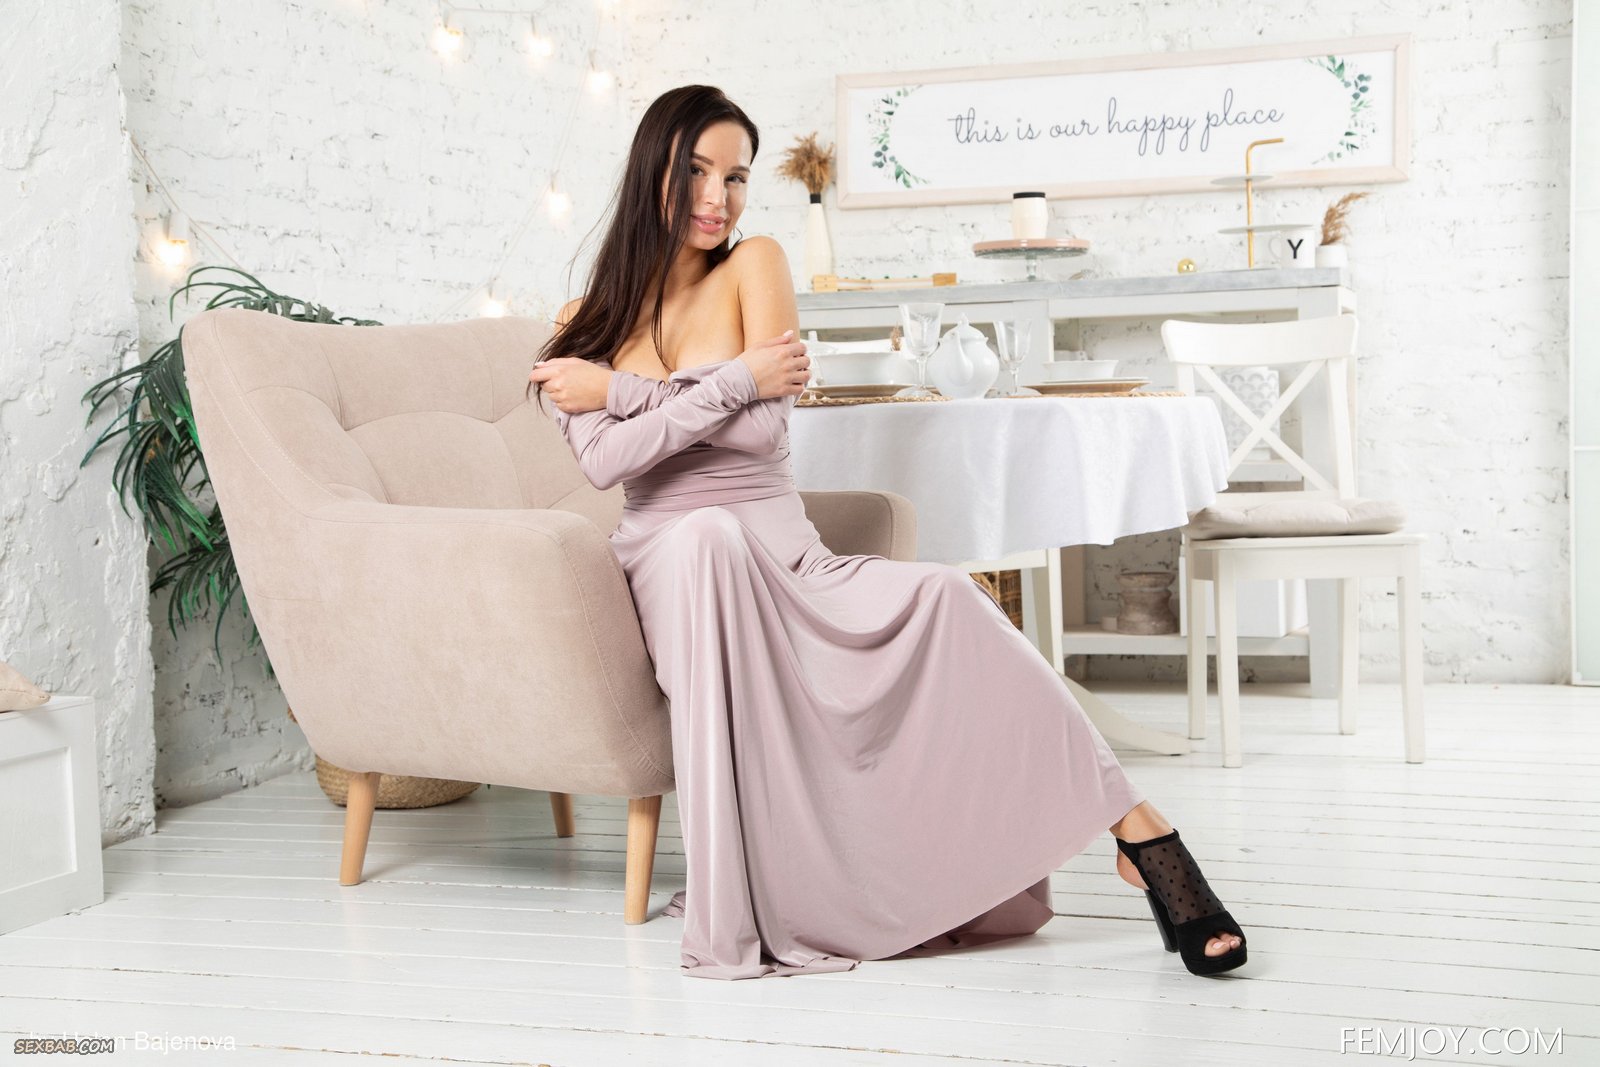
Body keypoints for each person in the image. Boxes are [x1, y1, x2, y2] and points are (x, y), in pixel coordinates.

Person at [526, 85, 1246, 981]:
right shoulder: (584, 322)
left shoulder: (755, 264)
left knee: (944, 591)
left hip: (791, 555)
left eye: (737, 177)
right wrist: (734, 378)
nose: (718, 197)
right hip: (679, 562)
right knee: (707, 532)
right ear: (652, 174)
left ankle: (1136, 826)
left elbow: (760, 431)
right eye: (697, 172)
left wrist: (625, 392)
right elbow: (609, 462)